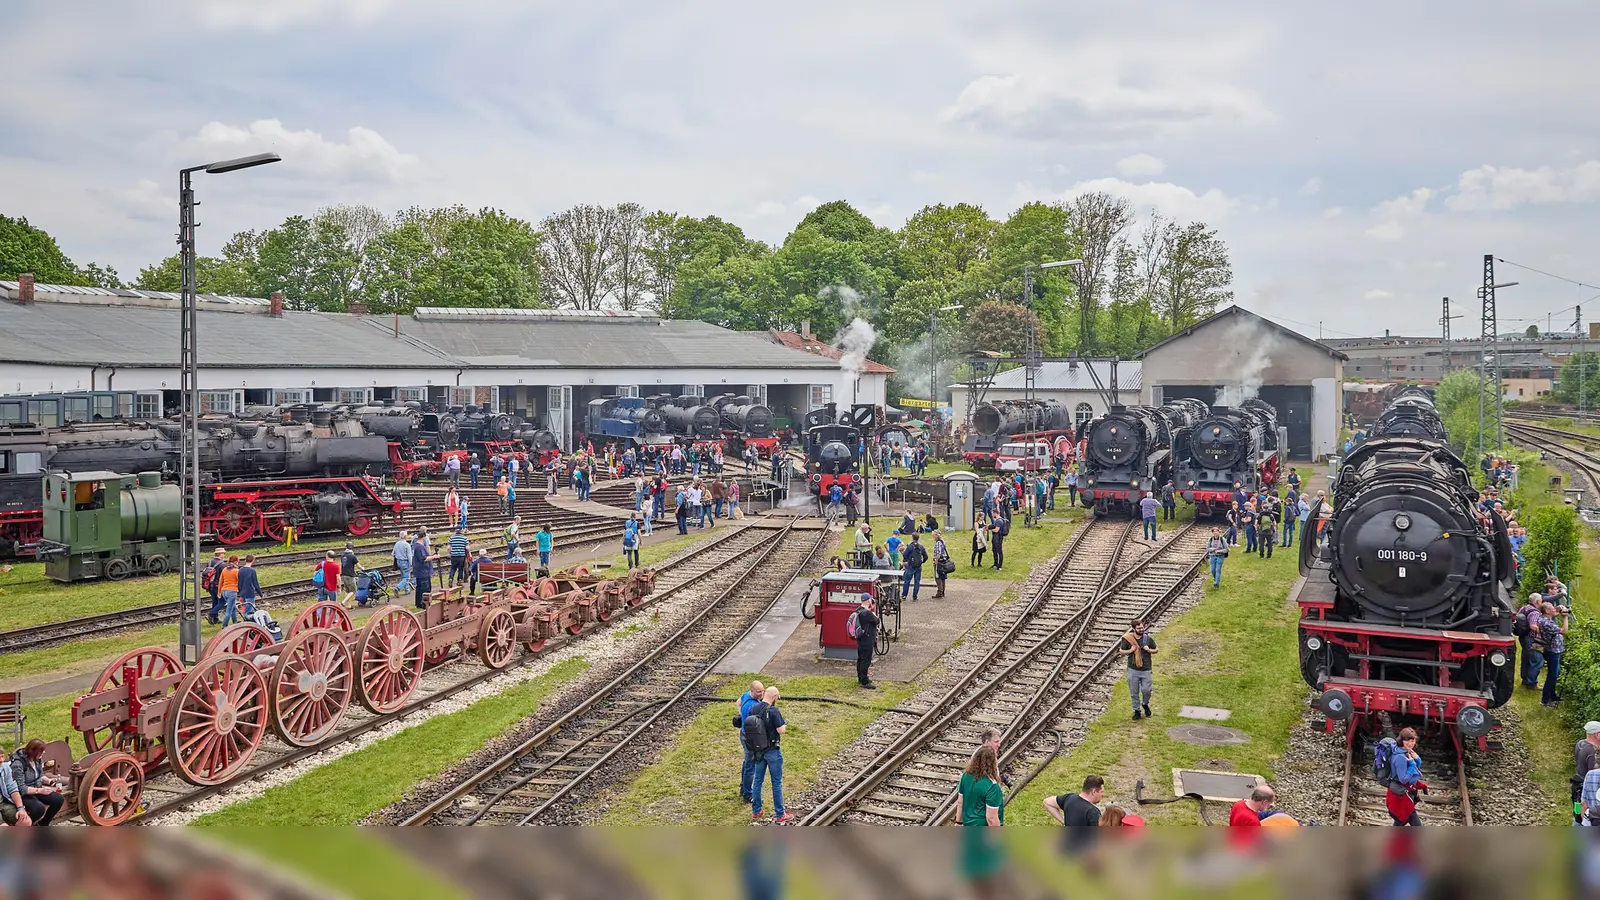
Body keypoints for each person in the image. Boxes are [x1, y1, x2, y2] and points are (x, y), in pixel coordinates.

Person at [748, 686, 791, 823]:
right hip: (772, 750)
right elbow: (781, 730)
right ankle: (780, 814)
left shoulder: (753, 708)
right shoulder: (773, 711)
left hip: (759, 751)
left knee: (758, 781)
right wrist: (785, 725)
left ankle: (756, 810)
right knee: (776, 782)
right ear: (774, 697)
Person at [9, 740, 62, 826]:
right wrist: (40, 791)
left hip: (37, 788)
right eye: (41, 751)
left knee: (58, 799)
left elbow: (40, 775)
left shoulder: (37, 760)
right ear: (33, 752)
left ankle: (43, 824)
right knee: (38, 808)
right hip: (24, 794)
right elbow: (21, 788)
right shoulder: (18, 764)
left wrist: (49, 781)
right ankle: (27, 825)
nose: (43, 753)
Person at [1044, 775, 1104, 849]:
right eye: (1101, 792)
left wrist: (1064, 822)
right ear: (1094, 791)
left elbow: (1047, 802)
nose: (1102, 795)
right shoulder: (1093, 812)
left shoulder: (1070, 798)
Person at [1385, 728, 1426, 826]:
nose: (1410, 743)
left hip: (1405, 795)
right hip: (1401, 796)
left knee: (1401, 821)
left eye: (1412, 741)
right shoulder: (1400, 757)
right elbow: (1403, 779)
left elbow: (1415, 769)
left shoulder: (1406, 751)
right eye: (1407, 740)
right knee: (1407, 820)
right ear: (1401, 740)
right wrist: (1412, 764)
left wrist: (1417, 760)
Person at [959, 744, 1005, 827]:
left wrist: (958, 822)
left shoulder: (966, 776)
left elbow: (960, 802)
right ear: (992, 763)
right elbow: (991, 818)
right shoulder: (992, 786)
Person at [1120, 618, 1157, 721]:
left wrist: (1149, 650)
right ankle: (1137, 711)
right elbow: (1121, 651)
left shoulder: (1147, 639)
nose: (1141, 629)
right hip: (1133, 669)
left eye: (1142, 627)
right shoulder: (1127, 639)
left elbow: (1156, 650)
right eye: (1139, 628)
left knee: (1146, 690)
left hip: (1146, 669)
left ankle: (1145, 704)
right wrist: (1130, 650)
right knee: (1134, 692)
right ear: (1133, 628)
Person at [736, 679, 765, 803]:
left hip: (743, 734)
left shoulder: (746, 695)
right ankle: (748, 794)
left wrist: (740, 714)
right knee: (750, 766)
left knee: (747, 762)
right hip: (749, 738)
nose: (761, 694)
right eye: (759, 692)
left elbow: (738, 701)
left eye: (763, 691)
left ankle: (743, 788)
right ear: (752, 691)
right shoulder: (751, 706)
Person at [1540, 600, 1571, 707]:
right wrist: (1565, 617)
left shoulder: (1545, 618)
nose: (1554, 608)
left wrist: (1557, 609)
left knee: (1556, 672)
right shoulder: (1547, 623)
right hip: (1553, 651)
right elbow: (1564, 630)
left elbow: (1553, 613)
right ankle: (1545, 699)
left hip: (1553, 650)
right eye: (1552, 607)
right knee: (1552, 675)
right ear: (1547, 611)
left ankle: (1552, 695)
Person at [1575, 721, 1600, 824]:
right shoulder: (1592, 752)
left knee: (1577, 811)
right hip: (1588, 789)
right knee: (1587, 815)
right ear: (1597, 735)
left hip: (1577, 786)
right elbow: (1595, 774)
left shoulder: (1580, 743)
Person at [853, 596, 880, 689]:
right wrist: (873, 609)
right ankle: (864, 681)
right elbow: (877, 621)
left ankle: (860, 678)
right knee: (866, 660)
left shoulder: (858, 610)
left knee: (860, 659)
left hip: (861, 638)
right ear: (869, 601)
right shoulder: (867, 613)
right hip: (867, 639)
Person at [411, 531, 433, 610]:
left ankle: (419, 603)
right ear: (423, 537)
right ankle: (424, 604)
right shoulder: (419, 547)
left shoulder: (415, 546)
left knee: (419, 588)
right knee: (425, 588)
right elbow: (424, 559)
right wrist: (434, 557)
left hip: (419, 571)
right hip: (423, 571)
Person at [902, 534, 927, 602]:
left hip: (910, 566)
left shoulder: (910, 546)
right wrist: (922, 561)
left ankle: (904, 595)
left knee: (907, 581)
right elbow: (926, 556)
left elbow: (905, 555)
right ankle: (914, 596)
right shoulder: (921, 547)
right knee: (917, 582)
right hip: (918, 567)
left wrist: (908, 560)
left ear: (912, 538)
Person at [217, 554, 241, 625]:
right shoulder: (236, 571)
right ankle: (224, 625)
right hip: (232, 591)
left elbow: (220, 581)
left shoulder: (224, 570)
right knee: (229, 610)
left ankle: (235, 622)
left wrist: (219, 592)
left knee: (232, 607)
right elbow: (239, 581)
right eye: (238, 561)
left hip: (224, 591)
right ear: (236, 562)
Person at [204, 548, 226, 624]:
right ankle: (211, 614)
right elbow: (223, 576)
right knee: (223, 601)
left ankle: (215, 619)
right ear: (220, 554)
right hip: (217, 585)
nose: (224, 555)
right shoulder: (222, 564)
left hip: (209, 585)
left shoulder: (210, 562)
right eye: (223, 553)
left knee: (214, 601)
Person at [340, 541, 360, 605]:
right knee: (353, 591)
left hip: (343, 575)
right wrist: (363, 568)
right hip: (350, 575)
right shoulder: (352, 556)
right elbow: (358, 565)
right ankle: (343, 602)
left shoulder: (342, 556)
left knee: (347, 591)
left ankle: (348, 605)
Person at [932, 531, 950, 598]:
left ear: (936, 535)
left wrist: (936, 561)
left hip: (939, 562)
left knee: (938, 577)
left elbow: (938, 553)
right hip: (943, 561)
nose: (932, 537)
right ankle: (942, 592)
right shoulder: (942, 541)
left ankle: (940, 592)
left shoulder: (938, 543)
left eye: (933, 535)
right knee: (943, 577)